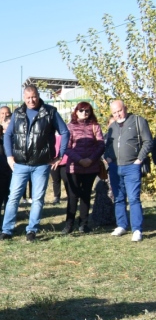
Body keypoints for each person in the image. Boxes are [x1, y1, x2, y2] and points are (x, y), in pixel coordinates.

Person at [0, 85, 69, 242]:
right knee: (13, 197)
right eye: (28, 97)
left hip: (41, 164)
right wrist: (9, 156)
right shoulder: (18, 113)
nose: (31, 100)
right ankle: (7, 230)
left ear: (38, 95)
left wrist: (60, 156)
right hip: (20, 164)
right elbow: (8, 134)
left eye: (34, 97)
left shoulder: (50, 112)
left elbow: (65, 132)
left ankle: (32, 231)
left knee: (37, 198)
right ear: (24, 97)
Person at [104, 99, 152, 242]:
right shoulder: (112, 126)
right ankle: (121, 225)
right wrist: (107, 157)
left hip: (132, 166)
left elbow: (148, 141)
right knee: (118, 198)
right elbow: (107, 144)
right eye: (114, 112)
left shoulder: (138, 121)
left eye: (119, 110)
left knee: (133, 198)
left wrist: (139, 160)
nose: (118, 114)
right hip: (115, 167)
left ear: (125, 107)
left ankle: (137, 229)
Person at [61, 102, 105, 235]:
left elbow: (101, 145)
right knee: (73, 196)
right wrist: (80, 160)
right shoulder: (70, 127)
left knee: (86, 195)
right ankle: (69, 224)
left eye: (87, 111)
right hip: (74, 166)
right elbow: (67, 148)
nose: (84, 113)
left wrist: (91, 159)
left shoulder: (95, 126)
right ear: (76, 112)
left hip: (91, 167)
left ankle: (83, 224)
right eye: (81, 110)